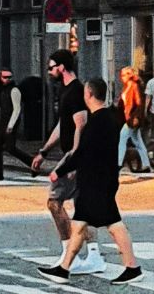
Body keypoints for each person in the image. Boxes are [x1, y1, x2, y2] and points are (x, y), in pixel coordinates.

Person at [38, 77, 144, 285]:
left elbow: (82, 153)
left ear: (89, 94)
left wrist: (60, 171)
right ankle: (64, 268)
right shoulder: (109, 118)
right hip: (101, 180)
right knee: (79, 226)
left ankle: (132, 267)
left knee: (114, 225)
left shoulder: (97, 122)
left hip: (97, 182)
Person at [32, 50, 107, 274]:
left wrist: (74, 159)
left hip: (76, 154)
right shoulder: (67, 91)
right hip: (79, 154)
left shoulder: (75, 92)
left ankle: (69, 255)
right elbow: (62, 125)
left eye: (52, 66)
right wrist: (44, 151)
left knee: (54, 202)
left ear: (62, 67)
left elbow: (80, 125)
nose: (49, 70)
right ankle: (93, 256)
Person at [0, 69, 33, 180]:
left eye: (9, 77)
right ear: (0, 78)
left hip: (10, 121)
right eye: (5, 77)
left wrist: (11, 125)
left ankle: (32, 162)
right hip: (2, 121)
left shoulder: (14, 90)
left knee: (10, 148)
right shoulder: (2, 90)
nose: (7, 79)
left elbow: (17, 109)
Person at [118, 66, 153, 173]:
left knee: (122, 139)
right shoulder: (127, 87)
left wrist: (136, 117)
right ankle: (146, 164)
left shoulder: (133, 86)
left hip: (132, 118)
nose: (122, 77)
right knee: (138, 142)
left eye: (124, 75)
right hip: (131, 118)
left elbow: (139, 103)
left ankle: (119, 163)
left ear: (129, 75)